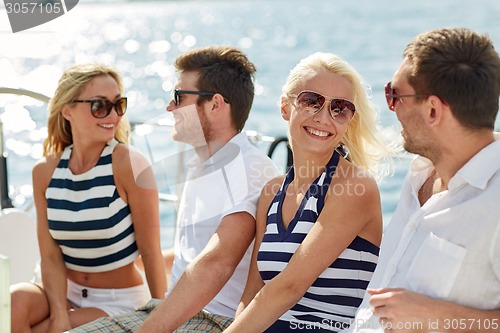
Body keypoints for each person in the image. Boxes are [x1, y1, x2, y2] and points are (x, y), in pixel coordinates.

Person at [68, 45, 279, 333]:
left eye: (179, 97)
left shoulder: (250, 170)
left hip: (215, 319)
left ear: (215, 104)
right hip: (173, 308)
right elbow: (190, 256)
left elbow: (215, 264)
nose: (170, 107)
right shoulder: (201, 164)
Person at [344, 27, 500, 333]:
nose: (392, 108)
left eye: (395, 95)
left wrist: (439, 316)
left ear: (432, 110)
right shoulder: (420, 174)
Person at [224, 52, 390, 333]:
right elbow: (252, 292)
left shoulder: (354, 187)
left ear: (349, 120)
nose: (324, 117)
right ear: (285, 107)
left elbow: (289, 287)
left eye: (340, 108)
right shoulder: (272, 192)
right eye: (311, 102)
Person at [9, 63, 167, 332]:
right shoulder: (45, 172)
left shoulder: (129, 164)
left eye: (119, 105)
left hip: (117, 301)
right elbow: (50, 255)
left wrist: (163, 317)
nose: (112, 115)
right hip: (61, 292)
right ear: (67, 110)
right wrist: (59, 311)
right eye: (99, 105)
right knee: (13, 305)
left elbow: (152, 253)